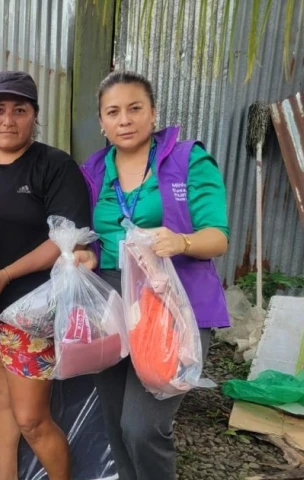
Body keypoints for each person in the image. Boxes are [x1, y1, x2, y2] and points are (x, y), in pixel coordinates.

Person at [75, 70, 230, 480]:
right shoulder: (92, 171)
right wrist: (85, 256)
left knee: (142, 427)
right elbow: (92, 236)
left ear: (153, 113)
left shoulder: (187, 160)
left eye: (134, 108)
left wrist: (182, 242)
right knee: (114, 424)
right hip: (111, 301)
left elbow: (218, 237)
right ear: (102, 122)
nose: (124, 120)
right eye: (113, 112)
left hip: (169, 306)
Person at [0, 71, 90, 480]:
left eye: (19, 110)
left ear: (34, 116)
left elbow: (64, 239)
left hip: (29, 313)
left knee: (31, 418)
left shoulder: (55, 166)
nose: (7, 120)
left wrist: (7, 274)